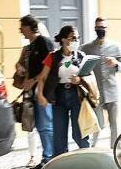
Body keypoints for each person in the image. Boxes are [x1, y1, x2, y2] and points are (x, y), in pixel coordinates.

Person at [36, 25, 91, 155]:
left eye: (77, 38)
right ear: (64, 39)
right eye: (73, 38)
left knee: (80, 133)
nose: (76, 41)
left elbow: (89, 77)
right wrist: (40, 95)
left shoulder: (81, 56)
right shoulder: (53, 57)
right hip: (58, 96)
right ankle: (60, 164)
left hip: (76, 95)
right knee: (59, 135)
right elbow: (42, 78)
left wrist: (79, 80)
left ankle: (88, 159)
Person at [81, 17, 121, 148]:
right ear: (95, 29)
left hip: (112, 91)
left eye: (103, 28)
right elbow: (78, 64)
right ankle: (93, 149)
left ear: (107, 29)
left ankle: (114, 150)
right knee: (97, 124)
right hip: (95, 93)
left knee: (115, 124)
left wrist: (116, 64)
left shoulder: (115, 46)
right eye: (98, 28)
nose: (101, 30)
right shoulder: (86, 48)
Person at [19, 15, 54, 169]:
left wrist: (32, 81)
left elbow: (50, 67)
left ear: (28, 27)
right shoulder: (30, 46)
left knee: (46, 126)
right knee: (40, 126)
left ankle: (50, 158)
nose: (20, 30)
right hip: (34, 92)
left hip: (44, 92)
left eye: (22, 27)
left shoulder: (44, 42)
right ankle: (47, 157)